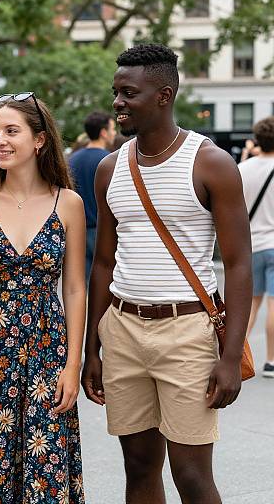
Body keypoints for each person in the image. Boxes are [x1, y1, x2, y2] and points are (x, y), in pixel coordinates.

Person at [81, 44, 252, 504]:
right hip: (123, 329)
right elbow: (102, 262)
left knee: (192, 477)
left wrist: (230, 355)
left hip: (187, 332)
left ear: (164, 95)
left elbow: (237, 265)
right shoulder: (108, 169)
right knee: (138, 470)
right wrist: (91, 350)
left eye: (129, 93)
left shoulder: (210, 163)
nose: (118, 102)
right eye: (116, 92)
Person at [0, 92, 86, 503]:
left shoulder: (69, 204)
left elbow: (76, 288)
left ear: (39, 139)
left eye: (12, 131)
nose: (0, 141)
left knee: (46, 473)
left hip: (48, 352)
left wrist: (73, 364)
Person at [239, 116, 274, 378]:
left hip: (251, 244)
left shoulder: (244, 169)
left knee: (251, 304)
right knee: (273, 306)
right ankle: (271, 361)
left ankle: (240, 355)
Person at [69, 111, 116, 281]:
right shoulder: (110, 161)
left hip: (77, 230)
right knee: (104, 280)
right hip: (103, 231)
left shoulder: (72, 159)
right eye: (112, 129)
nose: (114, 133)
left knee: (81, 282)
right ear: (103, 132)